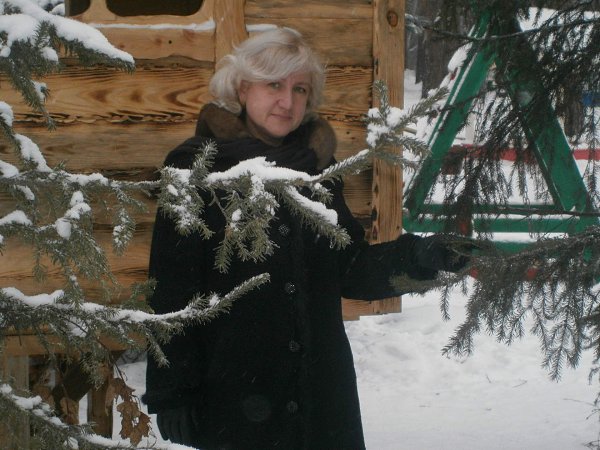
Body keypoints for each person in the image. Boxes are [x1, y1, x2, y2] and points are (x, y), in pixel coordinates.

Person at [143, 27, 470, 449]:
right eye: (274, 85)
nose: (287, 101)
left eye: (299, 89)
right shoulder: (196, 169)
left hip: (320, 397)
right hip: (236, 396)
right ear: (242, 89)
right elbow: (171, 286)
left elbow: (350, 267)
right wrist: (173, 390)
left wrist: (422, 255)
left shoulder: (318, 170)